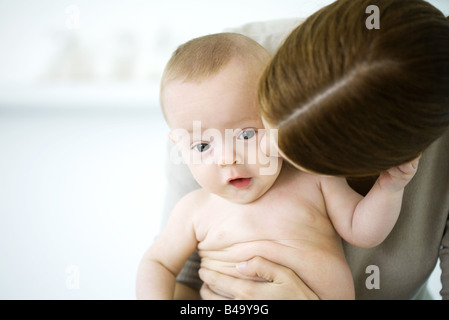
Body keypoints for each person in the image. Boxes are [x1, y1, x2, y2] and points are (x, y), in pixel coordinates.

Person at [164, 0, 449, 300]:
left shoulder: (327, 185)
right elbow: (175, 275)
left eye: (248, 135)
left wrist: (391, 189)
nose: (231, 157)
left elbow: (362, 229)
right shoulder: (217, 81)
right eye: (263, 125)